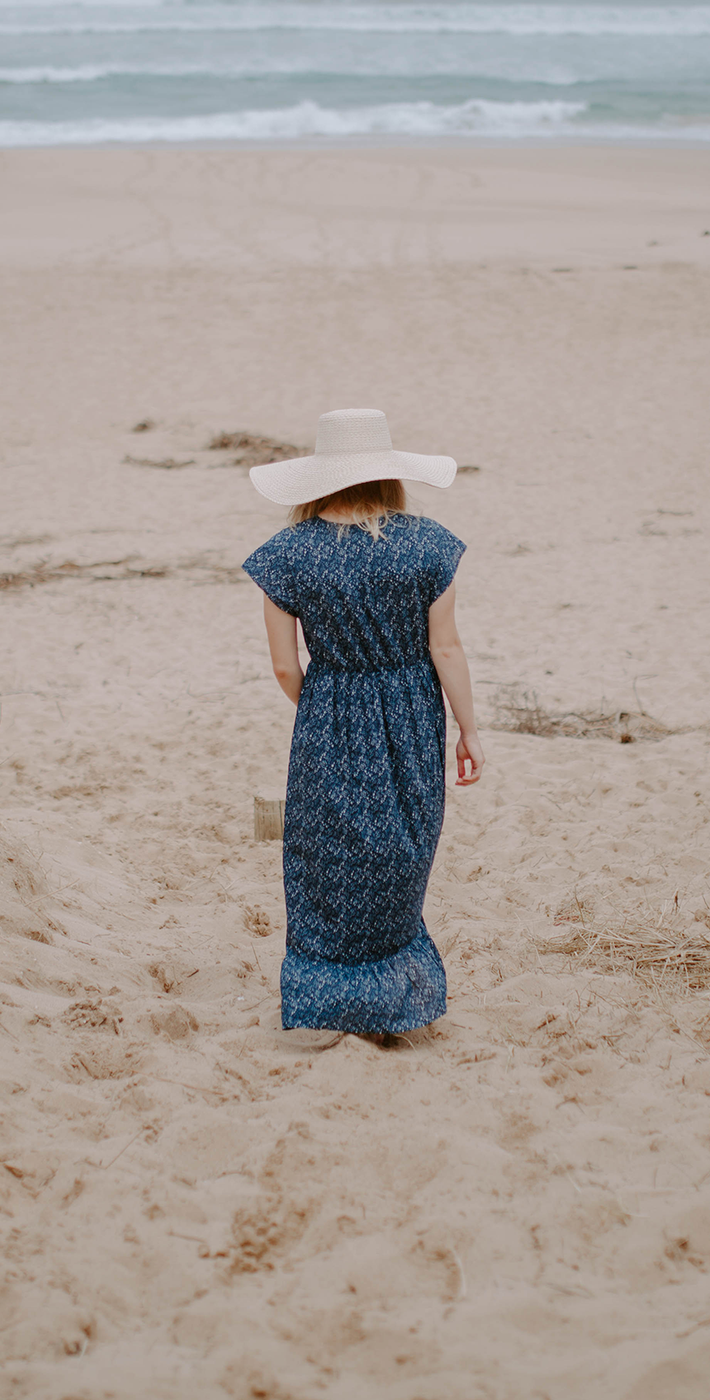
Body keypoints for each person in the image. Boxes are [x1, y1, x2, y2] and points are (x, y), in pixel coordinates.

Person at [241, 409, 483, 1046]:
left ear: (320, 479)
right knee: (402, 849)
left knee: (326, 855)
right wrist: (469, 730)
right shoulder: (429, 547)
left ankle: (324, 1001)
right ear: (391, 475)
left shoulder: (286, 556)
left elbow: (283, 666)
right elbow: (447, 651)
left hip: (327, 712)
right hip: (410, 714)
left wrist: (328, 708)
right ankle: (394, 999)